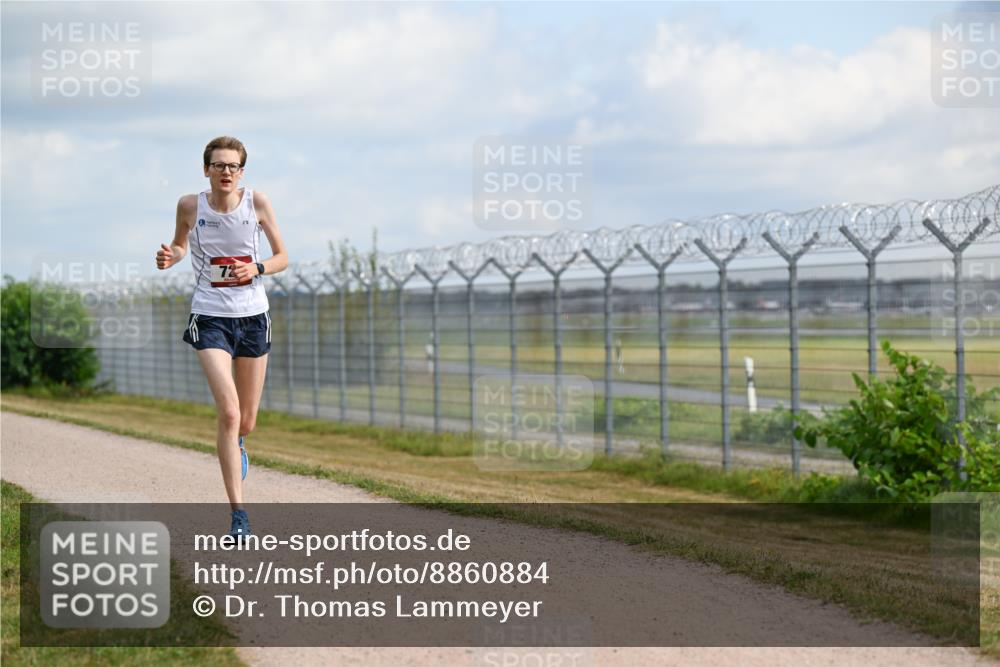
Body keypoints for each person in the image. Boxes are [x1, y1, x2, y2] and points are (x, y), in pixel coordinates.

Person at [155, 136, 288, 539]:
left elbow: (283, 256)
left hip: (253, 318)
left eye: (233, 166)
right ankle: (239, 515)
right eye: (218, 165)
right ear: (206, 170)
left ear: (241, 172)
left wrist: (258, 269)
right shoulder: (190, 206)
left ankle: (237, 444)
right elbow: (180, 245)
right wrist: (170, 257)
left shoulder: (258, 204)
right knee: (228, 413)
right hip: (210, 315)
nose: (225, 172)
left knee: (246, 420)